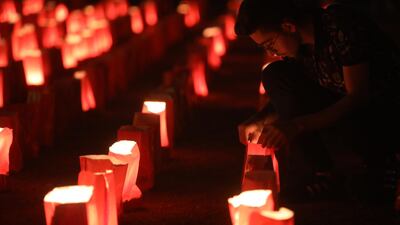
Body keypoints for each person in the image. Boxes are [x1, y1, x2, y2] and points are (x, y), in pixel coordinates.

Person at [235, 0, 400, 201]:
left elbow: (358, 96)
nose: (272, 52)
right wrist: (260, 119)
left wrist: (295, 126)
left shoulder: (340, 26)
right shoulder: (300, 47)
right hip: (345, 110)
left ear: (288, 26)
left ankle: (382, 164)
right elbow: (291, 94)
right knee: (275, 74)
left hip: (382, 112)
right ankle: (324, 175)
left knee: (366, 194)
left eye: (270, 44)